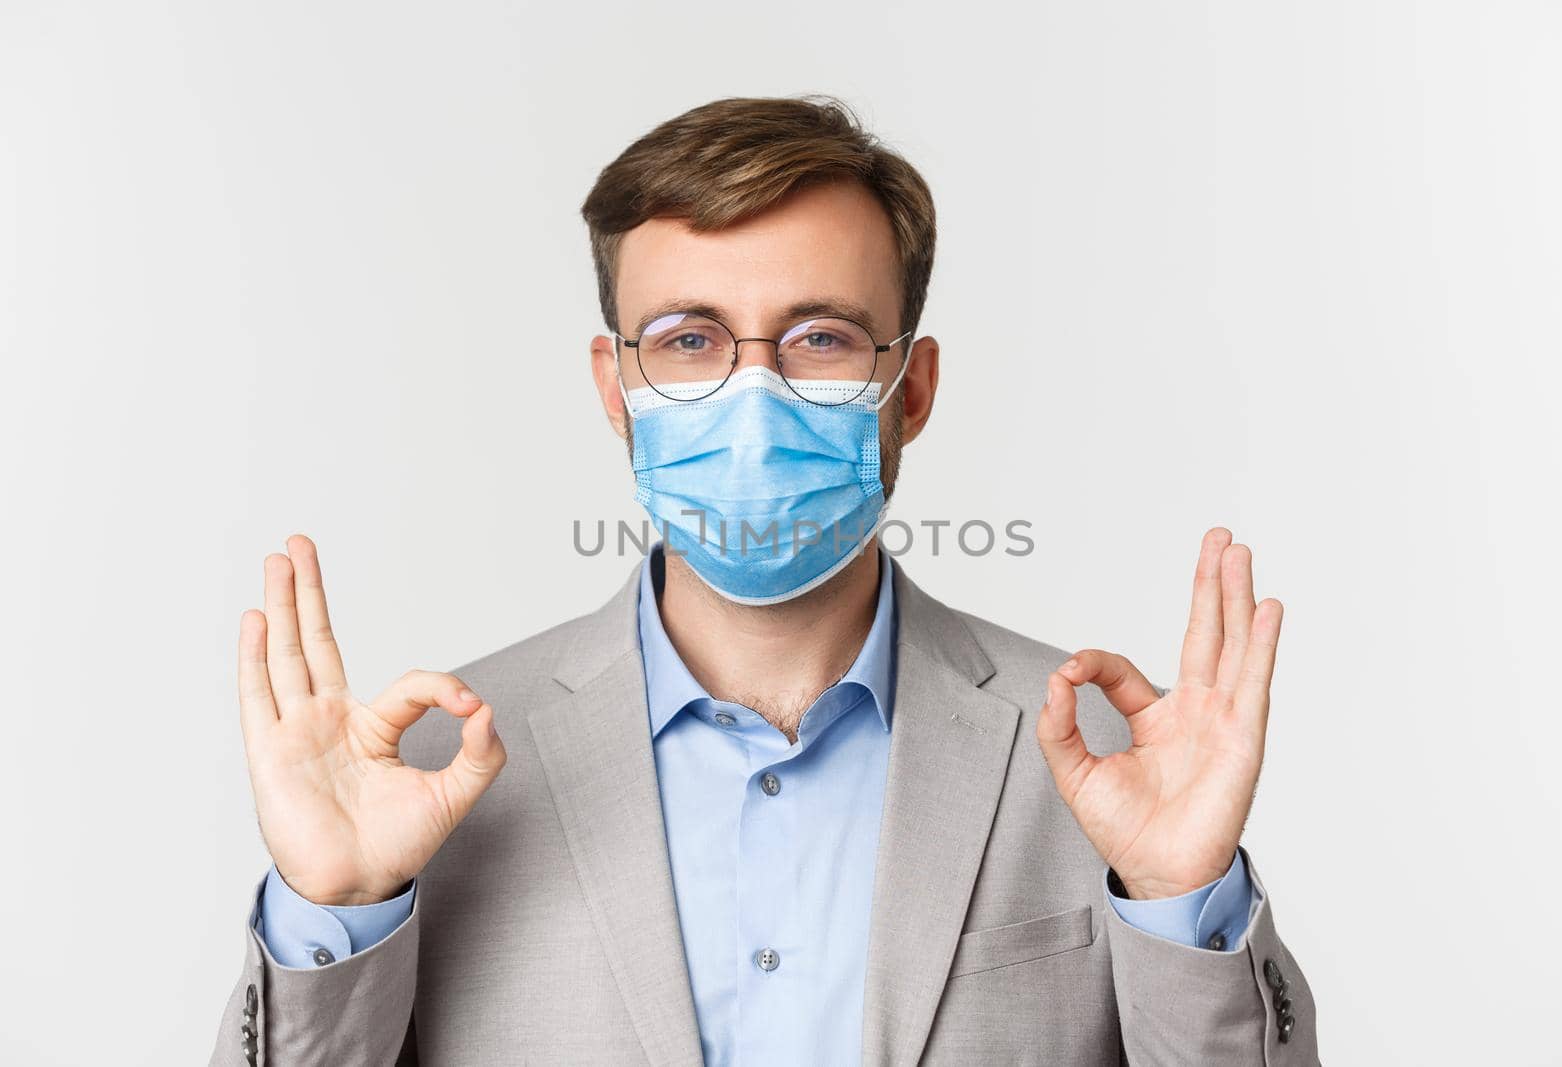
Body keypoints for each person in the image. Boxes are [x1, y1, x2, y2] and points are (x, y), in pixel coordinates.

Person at [211, 94, 1318, 1066]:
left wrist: (1180, 905)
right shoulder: (429, 782)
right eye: (689, 340)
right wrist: (334, 914)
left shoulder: (1096, 767)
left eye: (821, 338)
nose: (752, 398)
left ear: (912, 388)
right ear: (616, 385)